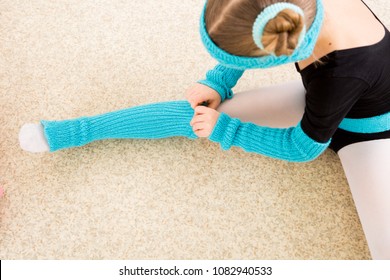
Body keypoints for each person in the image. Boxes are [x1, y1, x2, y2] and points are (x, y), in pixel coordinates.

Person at [19, 0, 389, 259]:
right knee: (193, 115)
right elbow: (253, 24)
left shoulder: (342, 71)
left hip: (371, 132)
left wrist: (225, 130)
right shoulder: (292, 13)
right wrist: (218, 81)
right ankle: (69, 132)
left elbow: (302, 147)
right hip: (330, 95)